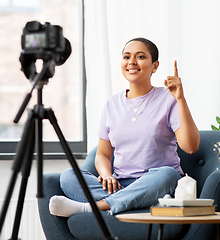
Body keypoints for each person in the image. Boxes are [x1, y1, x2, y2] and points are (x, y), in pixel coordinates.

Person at [49, 37, 200, 217]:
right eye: (126, 57)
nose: (132, 62)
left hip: (155, 181)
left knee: (167, 175)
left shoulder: (169, 99)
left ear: (155, 66)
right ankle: (135, 201)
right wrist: (106, 175)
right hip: (120, 184)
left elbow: (190, 147)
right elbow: (103, 154)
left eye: (141, 57)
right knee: (69, 176)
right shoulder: (111, 105)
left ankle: (92, 208)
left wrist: (181, 99)